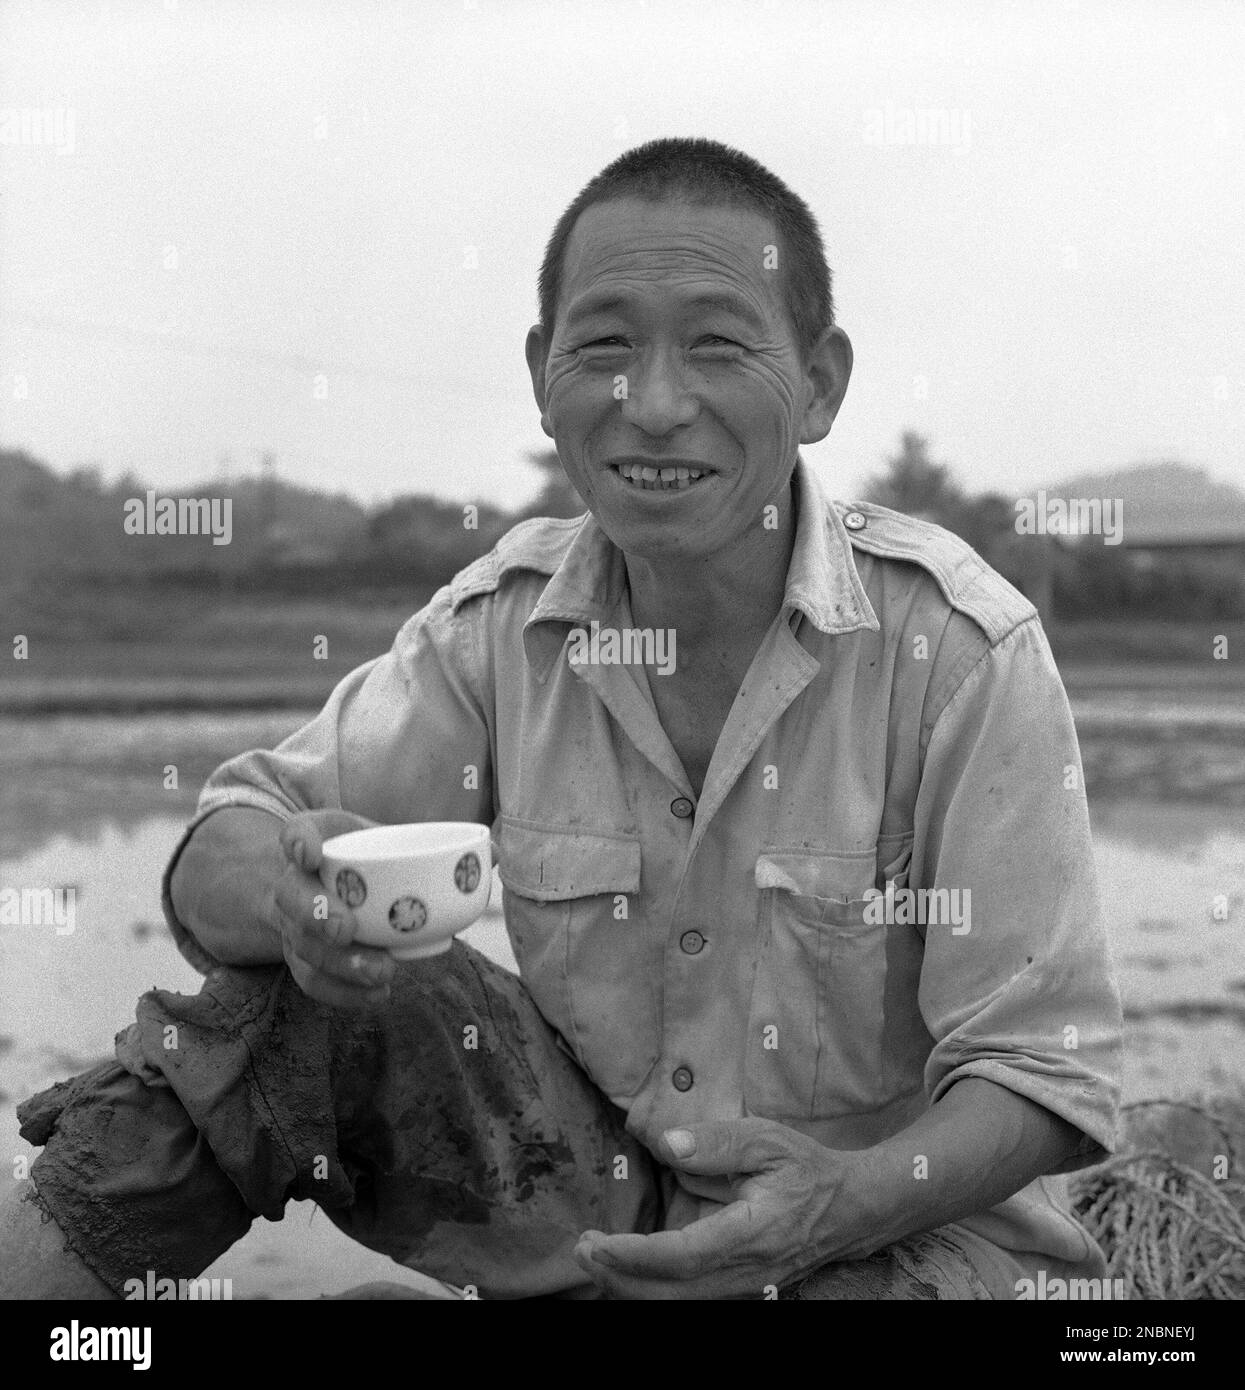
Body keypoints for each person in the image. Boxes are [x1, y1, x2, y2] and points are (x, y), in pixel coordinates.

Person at [1, 137, 1121, 1300]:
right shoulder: (501, 629)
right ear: (545, 377)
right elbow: (230, 837)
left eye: (720, 345)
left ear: (822, 383)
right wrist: (289, 897)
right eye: (604, 348)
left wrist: (837, 1205)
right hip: (613, 1206)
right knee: (274, 1004)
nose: (656, 404)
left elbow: (1044, 1072)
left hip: (894, 1235)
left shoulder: (961, 652)